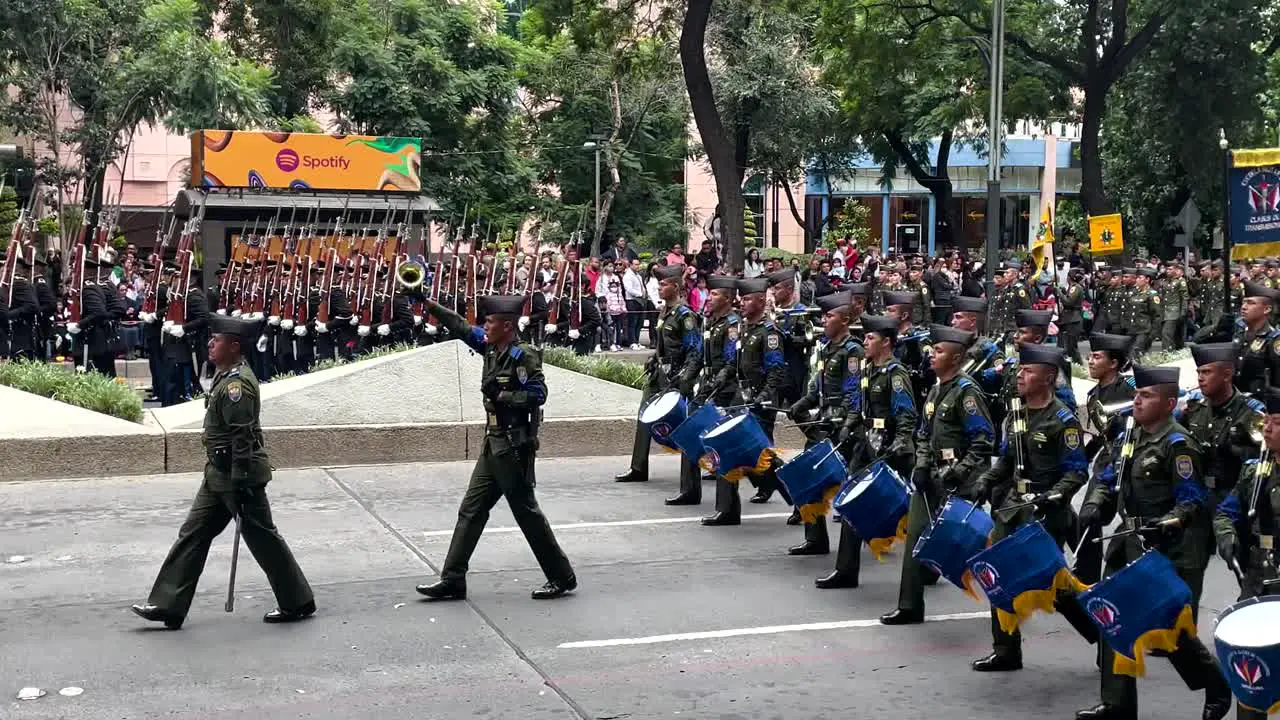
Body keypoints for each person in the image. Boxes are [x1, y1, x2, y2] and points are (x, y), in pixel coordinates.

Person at [131, 315, 315, 629]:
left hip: (237, 476)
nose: (210, 345)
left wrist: (240, 481)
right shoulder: (223, 376)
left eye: (216, 341)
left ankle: (297, 601)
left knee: (262, 539)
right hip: (217, 475)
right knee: (193, 533)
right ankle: (168, 605)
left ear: (234, 345)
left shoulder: (236, 385)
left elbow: (242, 436)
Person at [1076, 365, 1231, 720]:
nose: (1137, 400)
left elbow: (1191, 500)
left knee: (1168, 627)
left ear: (1169, 402)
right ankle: (1117, 704)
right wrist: (1097, 502)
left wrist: (1168, 523)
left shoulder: (1179, 445)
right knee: (1110, 615)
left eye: (1146, 396)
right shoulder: (1130, 436)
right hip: (1129, 542)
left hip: (1167, 547)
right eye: (1137, 394)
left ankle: (1214, 682)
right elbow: (1107, 475)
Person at [415, 293, 577, 601]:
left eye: (489, 322)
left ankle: (561, 576)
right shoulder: (490, 347)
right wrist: (428, 303)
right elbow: (461, 327)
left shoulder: (523, 355)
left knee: (526, 513)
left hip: (513, 447)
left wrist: (503, 397)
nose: (484, 327)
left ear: (506, 325)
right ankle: (452, 579)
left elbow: (538, 394)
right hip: (493, 443)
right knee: (471, 510)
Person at [969, 345, 1091, 672]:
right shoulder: (1016, 414)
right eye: (1020, 371)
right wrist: (986, 480)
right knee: (998, 576)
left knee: (1055, 586)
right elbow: (1007, 460)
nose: (1020, 376)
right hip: (1013, 510)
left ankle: (1101, 632)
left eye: (1028, 371)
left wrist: (1056, 495)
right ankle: (1006, 650)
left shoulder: (1063, 421)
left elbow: (1077, 471)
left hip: (1046, 515)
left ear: (1048, 377)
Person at [882, 325, 994, 625]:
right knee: (915, 537)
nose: (932, 354)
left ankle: (1012, 596)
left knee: (972, 546)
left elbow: (984, 439)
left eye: (940, 351)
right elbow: (922, 434)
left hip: (959, 480)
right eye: (933, 349)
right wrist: (920, 464)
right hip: (930, 476)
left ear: (956, 358)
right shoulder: (935, 389)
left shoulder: (967, 393)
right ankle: (909, 606)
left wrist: (960, 472)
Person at [812, 312, 917, 588]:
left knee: (914, 512)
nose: (866, 341)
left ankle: (928, 564)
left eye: (871, 337)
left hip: (893, 450)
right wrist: (848, 424)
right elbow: (860, 405)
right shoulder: (868, 370)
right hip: (867, 446)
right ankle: (846, 571)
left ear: (886, 343)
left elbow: (906, 414)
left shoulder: (896, 374)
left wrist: (900, 442)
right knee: (852, 504)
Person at [1214, 388, 1280, 720]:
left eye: (1276, 422)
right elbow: (1226, 512)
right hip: (1258, 577)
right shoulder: (1254, 470)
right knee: (1251, 662)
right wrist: (1227, 537)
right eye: (1266, 419)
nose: (1266, 428)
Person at [703, 277, 789, 526]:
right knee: (728, 449)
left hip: (760, 403)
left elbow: (776, 371)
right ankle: (728, 510)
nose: (743, 303)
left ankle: (798, 494)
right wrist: (719, 379)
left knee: (763, 457)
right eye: (742, 298)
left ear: (761, 301)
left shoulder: (769, 333)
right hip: (742, 398)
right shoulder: (743, 328)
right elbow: (733, 362)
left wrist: (763, 397)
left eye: (748, 299)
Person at [786, 291, 862, 556]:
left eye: (830, 316)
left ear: (845, 320)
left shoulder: (852, 351)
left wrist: (843, 418)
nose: (824, 320)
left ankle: (871, 534)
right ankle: (815, 538)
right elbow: (816, 388)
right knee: (807, 477)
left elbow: (854, 392)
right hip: (822, 423)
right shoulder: (825, 348)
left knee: (851, 485)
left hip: (841, 426)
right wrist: (801, 405)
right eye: (825, 316)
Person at [616, 264, 703, 485]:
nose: (660, 288)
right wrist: (653, 358)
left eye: (664, 285)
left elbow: (695, 350)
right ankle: (638, 467)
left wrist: (686, 378)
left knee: (686, 425)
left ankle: (703, 465)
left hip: (677, 376)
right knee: (643, 416)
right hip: (659, 375)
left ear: (675, 286)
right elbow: (662, 344)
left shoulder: (686, 316)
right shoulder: (664, 311)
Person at [1179, 342, 1263, 509]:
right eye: (1199, 372)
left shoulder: (1251, 412)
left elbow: (1264, 460)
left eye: (1207, 372)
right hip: (1199, 498)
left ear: (1227, 374)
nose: (1200, 378)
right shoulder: (1193, 408)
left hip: (1235, 499)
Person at [1235, 282, 1280, 394]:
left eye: (1251, 303)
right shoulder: (1239, 333)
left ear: (1266, 309)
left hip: (1260, 402)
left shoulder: (1274, 340)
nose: (1244, 307)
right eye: (1244, 302)